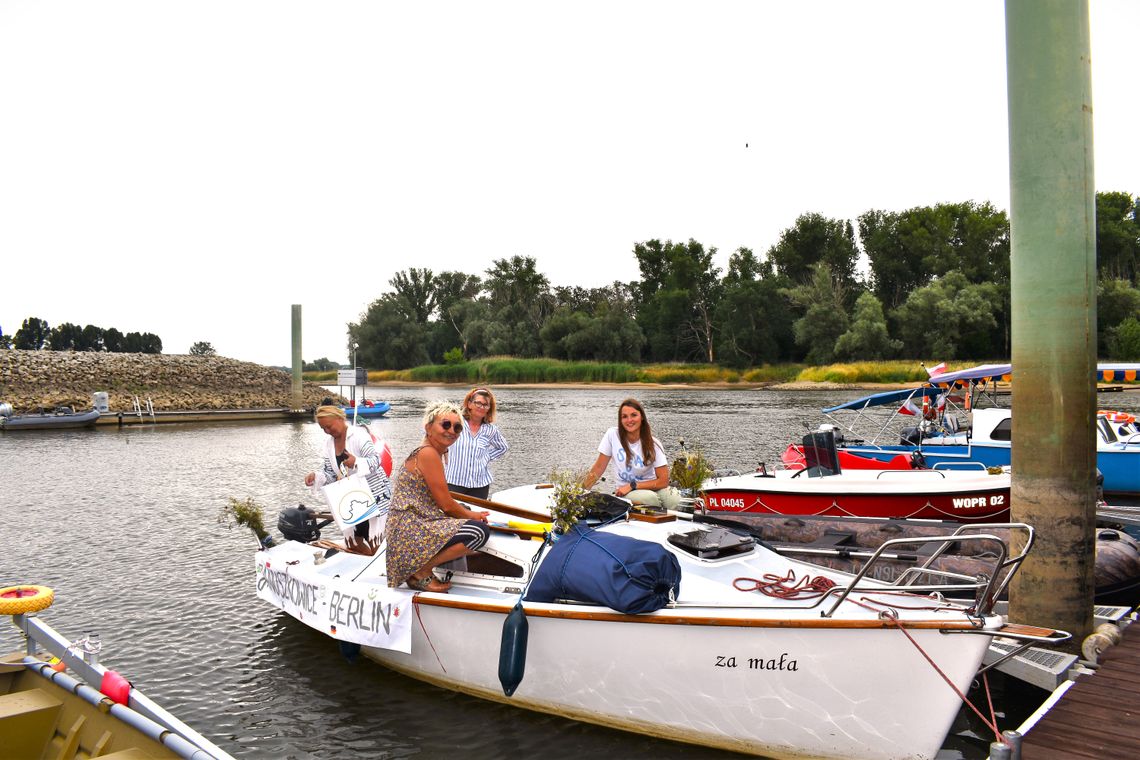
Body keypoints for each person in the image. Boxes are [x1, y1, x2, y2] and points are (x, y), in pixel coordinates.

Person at [386, 401, 491, 593]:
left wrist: (467, 512)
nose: (452, 430)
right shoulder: (428, 454)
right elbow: (446, 505)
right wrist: (474, 517)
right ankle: (421, 570)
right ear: (428, 427)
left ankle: (422, 565)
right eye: (445, 424)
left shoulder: (430, 452)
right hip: (410, 527)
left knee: (465, 512)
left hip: (408, 523)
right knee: (479, 531)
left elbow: (443, 501)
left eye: (457, 427)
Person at [304, 405, 391, 543]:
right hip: (352, 498)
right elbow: (330, 474)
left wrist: (356, 462)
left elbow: (376, 460)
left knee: (376, 539)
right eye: (323, 429)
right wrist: (317, 477)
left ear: (339, 418)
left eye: (329, 426)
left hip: (374, 496)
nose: (327, 431)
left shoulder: (359, 435)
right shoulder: (328, 444)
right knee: (356, 540)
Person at [582, 398, 681, 511]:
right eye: (624, 416)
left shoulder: (654, 444)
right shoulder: (612, 435)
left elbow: (663, 481)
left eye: (634, 415)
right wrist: (579, 492)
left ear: (642, 417)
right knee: (650, 499)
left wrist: (633, 485)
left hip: (650, 487)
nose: (629, 420)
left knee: (675, 499)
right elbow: (598, 468)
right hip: (625, 491)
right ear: (620, 420)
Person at [445, 387, 509, 499]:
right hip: (454, 482)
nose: (481, 407)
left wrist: (487, 456)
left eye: (485, 405)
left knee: (476, 515)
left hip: (480, 485)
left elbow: (503, 447)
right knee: (453, 515)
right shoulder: (456, 423)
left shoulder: (490, 430)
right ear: (469, 404)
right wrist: (444, 451)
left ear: (489, 408)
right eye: (478, 403)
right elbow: (436, 434)